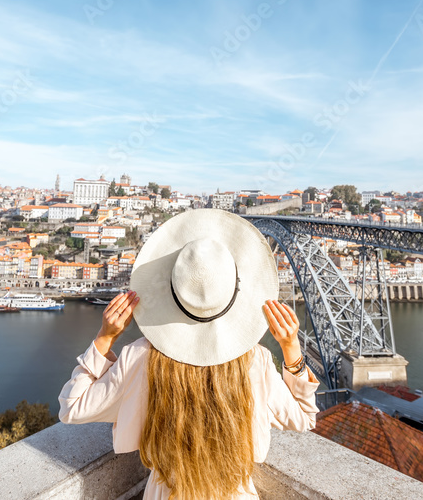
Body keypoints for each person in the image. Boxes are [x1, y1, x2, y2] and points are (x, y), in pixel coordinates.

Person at [58, 209, 319, 499]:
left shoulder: (140, 358)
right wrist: (291, 348)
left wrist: (105, 338)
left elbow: (72, 408)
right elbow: (305, 417)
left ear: (173, 288)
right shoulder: (255, 361)